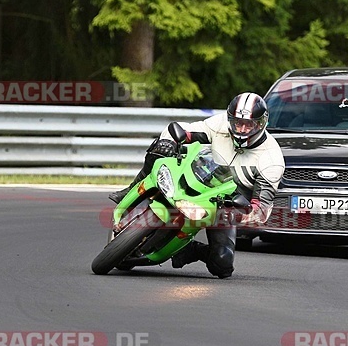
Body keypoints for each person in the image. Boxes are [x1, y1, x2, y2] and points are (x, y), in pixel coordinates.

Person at [108, 92, 285, 278]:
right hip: (196, 174)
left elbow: (262, 211)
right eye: (237, 123)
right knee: (159, 150)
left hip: (224, 204)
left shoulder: (271, 159)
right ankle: (130, 191)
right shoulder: (220, 124)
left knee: (222, 265)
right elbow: (184, 130)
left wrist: (234, 213)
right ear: (230, 119)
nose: (241, 129)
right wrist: (169, 142)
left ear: (261, 123)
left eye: (248, 125)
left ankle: (190, 249)